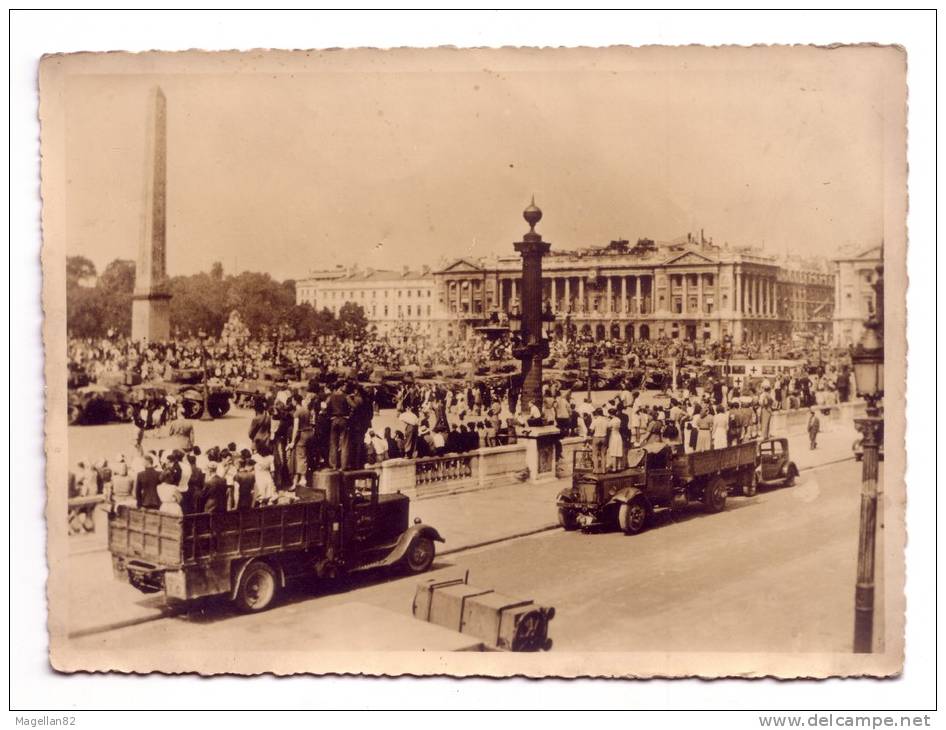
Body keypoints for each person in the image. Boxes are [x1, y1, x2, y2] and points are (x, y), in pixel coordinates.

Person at [326, 382, 351, 469]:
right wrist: (348, 414)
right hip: (343, 419)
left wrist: (330, 416)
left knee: (333, 444)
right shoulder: (345, 396)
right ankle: (343, 466)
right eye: (344, 386)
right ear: (340, 387)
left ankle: (334, 465)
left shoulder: (331, 396)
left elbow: (326, 407)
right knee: (344, 444)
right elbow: (353, 405)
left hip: (334, 420)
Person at [590, 408, 609, 473]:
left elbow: (591, 430)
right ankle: (603, 470)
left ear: (597, 413)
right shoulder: (606, 420)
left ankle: (596, 469)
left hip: (596, 437)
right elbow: (608, 428)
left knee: (595, 455)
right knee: (603, 454)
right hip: (604, 437)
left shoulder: (595, 420)